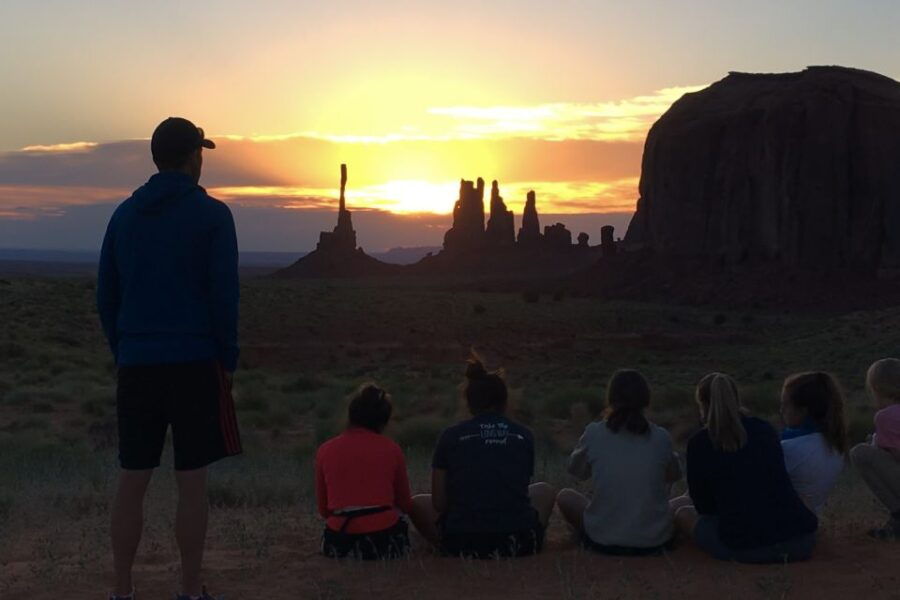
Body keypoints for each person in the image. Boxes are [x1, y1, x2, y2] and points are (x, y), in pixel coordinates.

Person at [97, 117, 240, 600]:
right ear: (192, 156)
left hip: (138, 363)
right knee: (192, 483)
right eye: (201, 151)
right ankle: (189, 589)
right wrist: (228, 361)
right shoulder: (214, 216)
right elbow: (225, 297)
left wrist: (126, 351)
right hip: (196, 362)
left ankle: (121, 590)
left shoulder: (123, 216)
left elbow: (106, 295)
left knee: (132, 479)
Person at [410, 356, 556, 558]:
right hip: (519, 540)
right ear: (504, 401)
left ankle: (441, 544)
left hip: (462, 541)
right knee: (545, 491)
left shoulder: (451, 436)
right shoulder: (523, 435)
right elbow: (519, 488)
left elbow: (439, 504)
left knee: (417, 502)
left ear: (469, 403)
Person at [671, 373, 818, 563]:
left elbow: (704, 508)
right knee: (802, 499)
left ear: (703, 405)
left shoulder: (699, 443)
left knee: (683, 513)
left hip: (744, 547)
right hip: (801, 542)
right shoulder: (764, 429)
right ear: (736, 400)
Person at [556, 370, 681, 555]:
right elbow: (674, 475)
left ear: (611, 398)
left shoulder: (594, 433)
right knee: (684, 502)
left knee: (565, 496)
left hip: (602, 539)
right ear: (645, 398)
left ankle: (584, 538)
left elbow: (575, 471)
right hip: (654, 541)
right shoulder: (661, 437)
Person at [315, 384, 415, 559]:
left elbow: (324, 510)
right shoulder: (392, 449)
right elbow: (405, 504)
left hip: (340, 541)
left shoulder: (325, 450)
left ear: (351, 415)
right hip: (385, 540)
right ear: (383, 420)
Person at [780, 372, 847, 514]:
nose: (782, 411)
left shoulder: (790, 448)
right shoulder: (835, 447)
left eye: (786, 405)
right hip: (811, 523)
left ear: (803, 410)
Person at [850, 358, 900, 540]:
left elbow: (897, 454)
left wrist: (877, 447)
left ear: (876, 388)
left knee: (860, 453)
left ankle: (898, 517)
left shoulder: (885, 416)